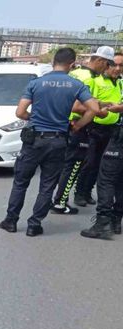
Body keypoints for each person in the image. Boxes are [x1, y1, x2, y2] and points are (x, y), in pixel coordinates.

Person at [0, 48, 100, 237]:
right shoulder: (76, 84)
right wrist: (78, 125)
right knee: (47, 185)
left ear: (54, 61)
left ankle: (11, 221)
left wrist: (34, 118)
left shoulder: (36, 83)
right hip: (59, 141)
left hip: (34, 140)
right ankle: (34, 225)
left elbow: (20, 112)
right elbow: (93, 109)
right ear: (72, 64)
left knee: (21, 182)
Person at [50, 46, 115, 214]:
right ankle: (60, 202)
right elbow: (76, 105)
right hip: (78, 127)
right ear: (99, 61)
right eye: (107, 64)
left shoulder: (77, 73)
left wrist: (99, 104)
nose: (107, 69)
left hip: (64, 126)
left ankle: (56, 199)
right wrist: (98, 111)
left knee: (65, 165)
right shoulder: (87, 77)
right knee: (73, 165)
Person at [73, 52, 123, 207]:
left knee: (102, 165)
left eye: (121, 65)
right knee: (89, 162)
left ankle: (88, 191)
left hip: (112, 129)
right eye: (114, 64)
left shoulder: (120, 83)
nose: (117, 68)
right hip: (94, 127)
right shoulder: (96, 80)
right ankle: (80, 192)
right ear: (107, 64)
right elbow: (86, 102)